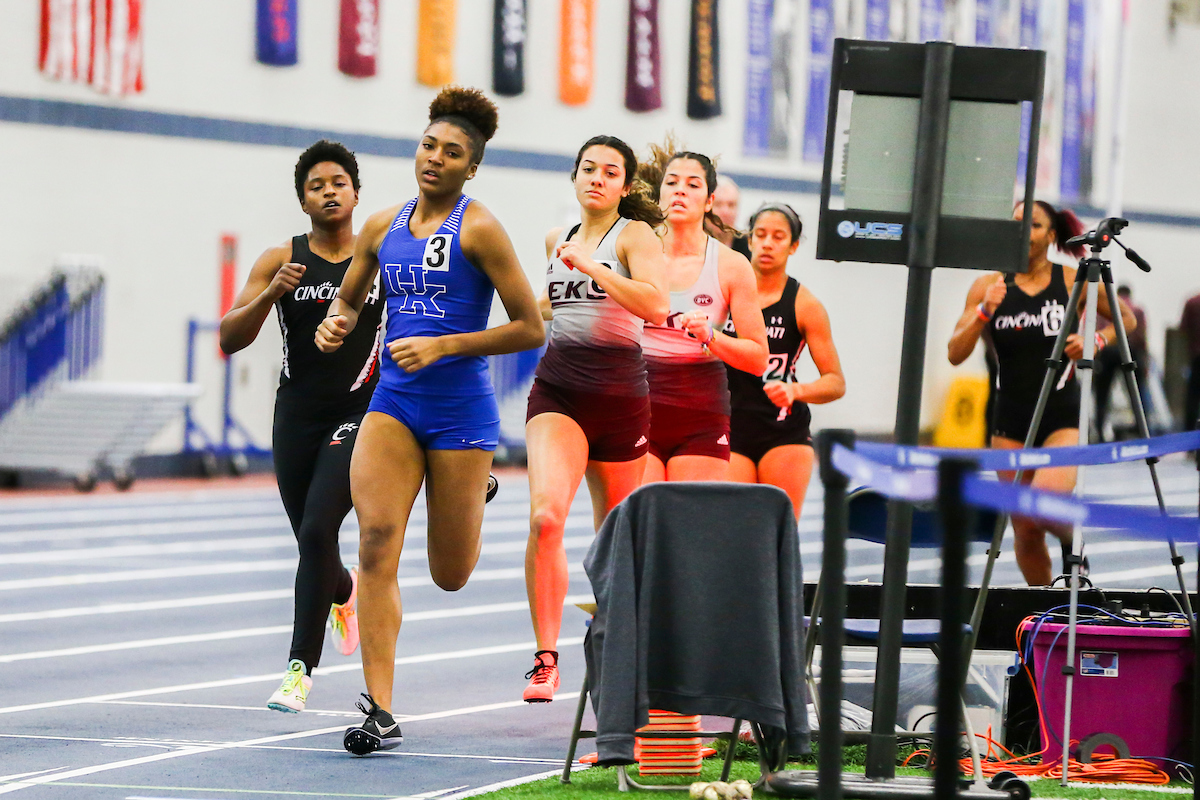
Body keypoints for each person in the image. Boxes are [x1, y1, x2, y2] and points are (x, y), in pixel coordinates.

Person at [315, 87, 545, 754]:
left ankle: (475, 489)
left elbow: (529, 327)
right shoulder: (381, 226)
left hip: (460, 410)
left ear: (471, 167)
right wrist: (338, 322)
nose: (434, 159)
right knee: (375, 542)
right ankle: (379, 709)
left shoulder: (480, 228)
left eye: (452, 153)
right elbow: (349, 298)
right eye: (428, 145)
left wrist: (446, 344)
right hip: (393, 404)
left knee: (450, 573)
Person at [218, 140, 380, 714]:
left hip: (361, 412)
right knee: (313, 544)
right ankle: (343, 589)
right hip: (296, 416)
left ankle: (298, 672)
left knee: (317, 532)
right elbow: (229, 338)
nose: (329, 191)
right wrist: (269, 292)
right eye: (317, 186)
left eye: (339, 182)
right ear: (302, 201)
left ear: (356, 192)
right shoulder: (279, 259)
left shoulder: (380, 254)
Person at [522, 135, 669, 703]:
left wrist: (591, 268)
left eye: (611, 172)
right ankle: (545, 657)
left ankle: (616, 657)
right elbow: (542, 310)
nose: (597, 178)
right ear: (575, 176)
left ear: (625, 186)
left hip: (620, 398)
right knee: (545, 519)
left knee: (616, 544)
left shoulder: (635, 235)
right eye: (588, 168)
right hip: (559, 390)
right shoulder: (555, 239)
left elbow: (655, 306)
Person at [948, 200, 1135, 586]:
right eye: (1015, 223)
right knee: (1027, 530)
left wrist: (1096, 341)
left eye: (1032, 225)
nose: (1022, 232)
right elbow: (955, 352)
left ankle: (1074, 546)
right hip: (1010, 418)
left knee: (1046, 502)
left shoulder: (1072, 280)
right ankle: (1043, 611)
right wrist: (984, 312)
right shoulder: (989, 286)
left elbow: (1125, 319)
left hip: (1061, 412)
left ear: (1050, 235)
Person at [638, 146, 769, 483]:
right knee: (642, 523)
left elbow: (758, 359)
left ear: (710, 201)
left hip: (700, 415)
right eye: (672, 182)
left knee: (689, 529)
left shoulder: (731, 265)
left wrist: (712, 335)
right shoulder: (631, 253)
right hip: (636, 407)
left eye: (693, 184)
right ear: (660, 193)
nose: (680, 189)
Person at [725, 203, 845, 518]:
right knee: (731, 530)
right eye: (761, 235)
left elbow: (835, 382)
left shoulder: (805, 305)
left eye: (778, 237)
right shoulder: (723, 294)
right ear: (749, 241)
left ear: (793, 246)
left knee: (777, 533)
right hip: (728, 427)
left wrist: (796, 391)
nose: (767, 243)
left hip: (782, 433)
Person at [1094, 285, 1148, 440]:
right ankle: (1142, 431)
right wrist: (1144, 361)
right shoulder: (1137, 310)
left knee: (1102, 395)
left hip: (1107, 351)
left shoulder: (1104, 310)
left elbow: (1097, 333)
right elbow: (1142, 337)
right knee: (1136, 395)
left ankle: (1099, 431)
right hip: (1131, 351)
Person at [707, 173, 751, 259]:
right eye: (718, 205)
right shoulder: (691, 243)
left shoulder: (748, 247)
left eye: (731, 205)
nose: (725, 212)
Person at [1183, 291, 1200, 431]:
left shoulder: (1192, 302)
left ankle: (1189, 435)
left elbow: (1183, 328)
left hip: (1197, 355)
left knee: (1193, 397)